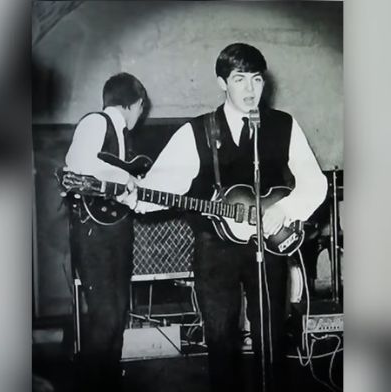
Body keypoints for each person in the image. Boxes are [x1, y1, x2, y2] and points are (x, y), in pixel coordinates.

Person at [120, 43, 327, 391]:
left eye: (257, 80)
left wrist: (284, 209)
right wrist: (135, 198)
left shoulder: (283, 125)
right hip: (214, 248)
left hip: (269, 245)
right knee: (220, 340)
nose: (250, 90)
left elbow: (316, 183)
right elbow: (159, 185)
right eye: (239, 79)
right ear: (222, 83)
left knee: (272, 338)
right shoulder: (197, 131)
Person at [64, 72, 147, 392]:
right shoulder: (96, 122)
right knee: (105, 314)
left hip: (116, 231)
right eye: (141, 108)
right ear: (136, 104)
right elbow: (79, 163)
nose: (140, 115)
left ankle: (108, 381)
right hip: (94, 233)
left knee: (117, 311)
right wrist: (123, 180)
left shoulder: (123, 135)